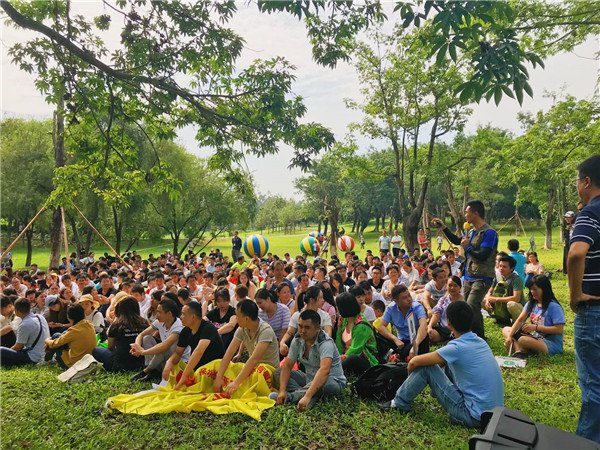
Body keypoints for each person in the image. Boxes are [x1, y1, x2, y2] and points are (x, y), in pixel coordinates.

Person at [384, 301, 504, 428]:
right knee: (448, 364)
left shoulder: (456, 348)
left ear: (449, 323)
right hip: (495, 416)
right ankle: (435, 392)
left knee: (427, 367)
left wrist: (409, 378)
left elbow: (414, 362)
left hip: (473, 417)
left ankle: (399, 403)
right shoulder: (480, 341)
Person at [568, 154, 600, 443]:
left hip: (594, 310)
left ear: (586, 181)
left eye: (577, 181)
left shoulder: (590, 213)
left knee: (593, 384)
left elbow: (577, 253)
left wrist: (575, 293)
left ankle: (586, 443)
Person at [433, 200, 498, 339]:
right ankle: (478, 336)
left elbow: (483, 254)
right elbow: (458, 241)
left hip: (483, 276)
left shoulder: (489, 232)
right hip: (469, 275)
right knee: (470, 309)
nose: (465, 214)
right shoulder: (471, 231)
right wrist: (443, 228)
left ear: (476, 213)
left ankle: (474, 337)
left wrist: (467, 247)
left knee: (471, 306)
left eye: (467, 212)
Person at [272, 309, 347, 411]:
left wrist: (307, 396)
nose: (302, 331)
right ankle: (310, 397)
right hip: (309, 379)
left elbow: (325, 371)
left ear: (317, 328)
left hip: (331, 381)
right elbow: (288, 365)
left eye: (307, 327)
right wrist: (281, 391)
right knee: (278, 373)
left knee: (326, 383)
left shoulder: (325, 342)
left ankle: (292, 397)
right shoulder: (298, 339)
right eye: (300, 326)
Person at [213, 300, 280, 396]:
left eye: (238, 316)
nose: (236, 319)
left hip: (266, 372)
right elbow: (229, 353)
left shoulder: (266, 331)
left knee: (260, 371)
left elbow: (253, 359)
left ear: (246, 319)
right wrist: (219, 376)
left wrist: (236, 383)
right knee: (217, 364)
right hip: (251, 369)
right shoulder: (242, 329)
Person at [165, 301, 225, 389]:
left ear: (193, 317)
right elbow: (178, 353)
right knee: (175, 364)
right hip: (197, 369)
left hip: (214, 369)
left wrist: (184, 376)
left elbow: (198, 351)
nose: (181, 317)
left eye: (183, 314)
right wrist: (169, 362)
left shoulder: (208, 328)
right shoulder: (185, 331)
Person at [502, 275, 565, 358]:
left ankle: (520, 349)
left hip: (550, 343)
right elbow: (520, 320)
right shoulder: (531, 304)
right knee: (506, 330)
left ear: (544, 289)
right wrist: (510, 337)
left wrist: (536, 327)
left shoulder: (554, 307)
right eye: (531, 289)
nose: (532, 291)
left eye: (535, 289)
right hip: (535, 338)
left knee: (523, 340)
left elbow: (559, 330)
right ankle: (519, 352)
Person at [130, 298, 190, 382]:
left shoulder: (178, 327)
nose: (156, 314)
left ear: (169, 313)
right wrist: (137, 346)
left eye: (159, 312)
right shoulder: (160, 322)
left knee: (162, 349)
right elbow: (142, 334)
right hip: (164, 360)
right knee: (147, 338)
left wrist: (142, 352)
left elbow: (164, 346)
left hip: (176, 362)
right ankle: (152, 371)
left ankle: (146, 371)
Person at [92, 297, 148, 372]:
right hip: (140, 362)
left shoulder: (117, 324)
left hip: (119, 364)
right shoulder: (144, 323)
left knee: (97, 350)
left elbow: (110, 346)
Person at [377, 285, 429, 360]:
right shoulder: (391, 309)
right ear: (396, 301)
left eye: (409, 296)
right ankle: (400, 355)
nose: (409, 299)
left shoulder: (417, 307)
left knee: (424, 336)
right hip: (401, 342)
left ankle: (398, 356)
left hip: (416, 339)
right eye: (404, 298)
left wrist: (415, 345)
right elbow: (381, 327)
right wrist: (395, 339)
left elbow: (423, 326)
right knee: (380, 335)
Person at [280, 286, 333, 356]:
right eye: (320, 298)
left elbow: (328, 333)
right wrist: (282, 343)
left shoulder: (325, 315)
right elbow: (289, 332)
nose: (323, 300)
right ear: (311, 300)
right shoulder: (297, 315)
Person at [334, 292, 378, 376]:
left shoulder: (361, 325)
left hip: (362, 358)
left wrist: (339, 361)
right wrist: (338, 357)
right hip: (345, 356)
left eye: (338, 307)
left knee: (350, 359)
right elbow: (339, 340)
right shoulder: (343, 319)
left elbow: (355, 349)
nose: (337, 309)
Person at [0, 298, 50, 366]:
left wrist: (9, 352)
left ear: (16, 311)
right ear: (30, 307)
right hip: (44, 354)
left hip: (33, 357)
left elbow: (18, 347)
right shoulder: (40, 317)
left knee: (1, 351)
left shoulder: (24, 325)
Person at [44, 304, 96, 369]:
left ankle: (47, 360)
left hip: (74, 364)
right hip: (88, 361)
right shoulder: (89, 324)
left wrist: (47, 340)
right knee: (59, 335)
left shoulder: (74, 331)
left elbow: (54, 344)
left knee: (55, 337)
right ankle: (48, 359)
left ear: (69, 317)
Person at [483, 255, 525, 325]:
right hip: (502, 304)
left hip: (518, 307)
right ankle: (499, 318)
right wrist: (487, 300)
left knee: (511, 304)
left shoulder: (516, 279)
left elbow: (516, 298)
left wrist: (496, 299)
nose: (501, 268)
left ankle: (516, 323)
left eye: (504, 267)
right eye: (500, 266)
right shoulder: (497, 277)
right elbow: (489, 291)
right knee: (483, 299)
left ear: (512, 268)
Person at [427, 276, 464, 344]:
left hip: (457, 331)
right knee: (429, 334)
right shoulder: (443, 300)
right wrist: (430, 326)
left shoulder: (463, 302)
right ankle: (444, 340)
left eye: (455, 286)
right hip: (442, 330)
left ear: (460, 287)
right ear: (446, 286)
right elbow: (436, 314)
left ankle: (448, 340)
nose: (452, 288)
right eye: (450, 285)